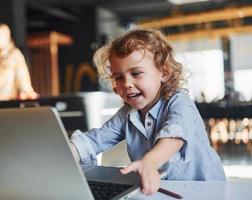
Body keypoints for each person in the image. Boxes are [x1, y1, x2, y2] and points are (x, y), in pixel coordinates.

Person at [69, 29, 226, 195]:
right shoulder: (126, 114)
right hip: (163, 190)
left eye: (136, 73)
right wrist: (63, 153)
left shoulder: (179, 103)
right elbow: (94, 141)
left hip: (207, 190)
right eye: (119, 77)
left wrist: (148, 163)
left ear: (164, 73)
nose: (127, 84)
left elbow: (174, 137)